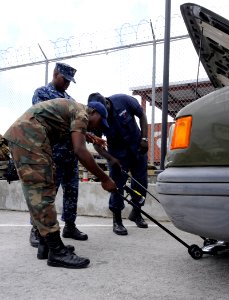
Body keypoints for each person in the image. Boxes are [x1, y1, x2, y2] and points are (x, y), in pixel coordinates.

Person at [3, 99, 117, 268]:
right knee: (41, 191)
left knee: (44, 188)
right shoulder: (82, 114)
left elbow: (70, 128)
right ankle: (56, 252)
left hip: (27, 135)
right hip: (30, 136)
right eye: (100, 122)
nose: (99, 127)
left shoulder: (76, 112)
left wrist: (90, 136)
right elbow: (80, 150)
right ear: (93, 112)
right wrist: (105, 178)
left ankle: (45, 246)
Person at [30, 62, 88, 248]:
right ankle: (37, 230)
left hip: (70, 156)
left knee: (72, 192)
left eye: (70, 81)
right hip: (53, 154)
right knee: (47, 195)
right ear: (56, 74)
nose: (67, 84)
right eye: (65, 79)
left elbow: (77, 125)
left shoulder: (69, 98)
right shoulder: (41, 93)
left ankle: (70, 226)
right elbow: (44, 119)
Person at [87, 93, 149, 236]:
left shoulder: (124, 100)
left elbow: (142, 115)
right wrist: (110, 158)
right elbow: (97, 145)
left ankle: (136, 213)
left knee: (141, 182)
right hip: (117, 155)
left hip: (137, 148)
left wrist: (144, 138)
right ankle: (117, 221)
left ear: (107, 104)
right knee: (116, 186)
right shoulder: (94, 118)